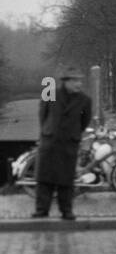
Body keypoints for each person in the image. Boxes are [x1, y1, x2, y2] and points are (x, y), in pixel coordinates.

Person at [33, 67, 92, 220]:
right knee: (45, 178)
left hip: (68, 144)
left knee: (66, 179)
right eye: (75, 80)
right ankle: (41, 210)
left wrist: (73, 133)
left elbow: (84, 121)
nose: (79, 84)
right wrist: (48, 130)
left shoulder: (85, 100)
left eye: (80, 80)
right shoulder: (50, 93)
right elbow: (43, 114)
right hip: (50, 141)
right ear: (65, 82)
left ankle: (66, 210)